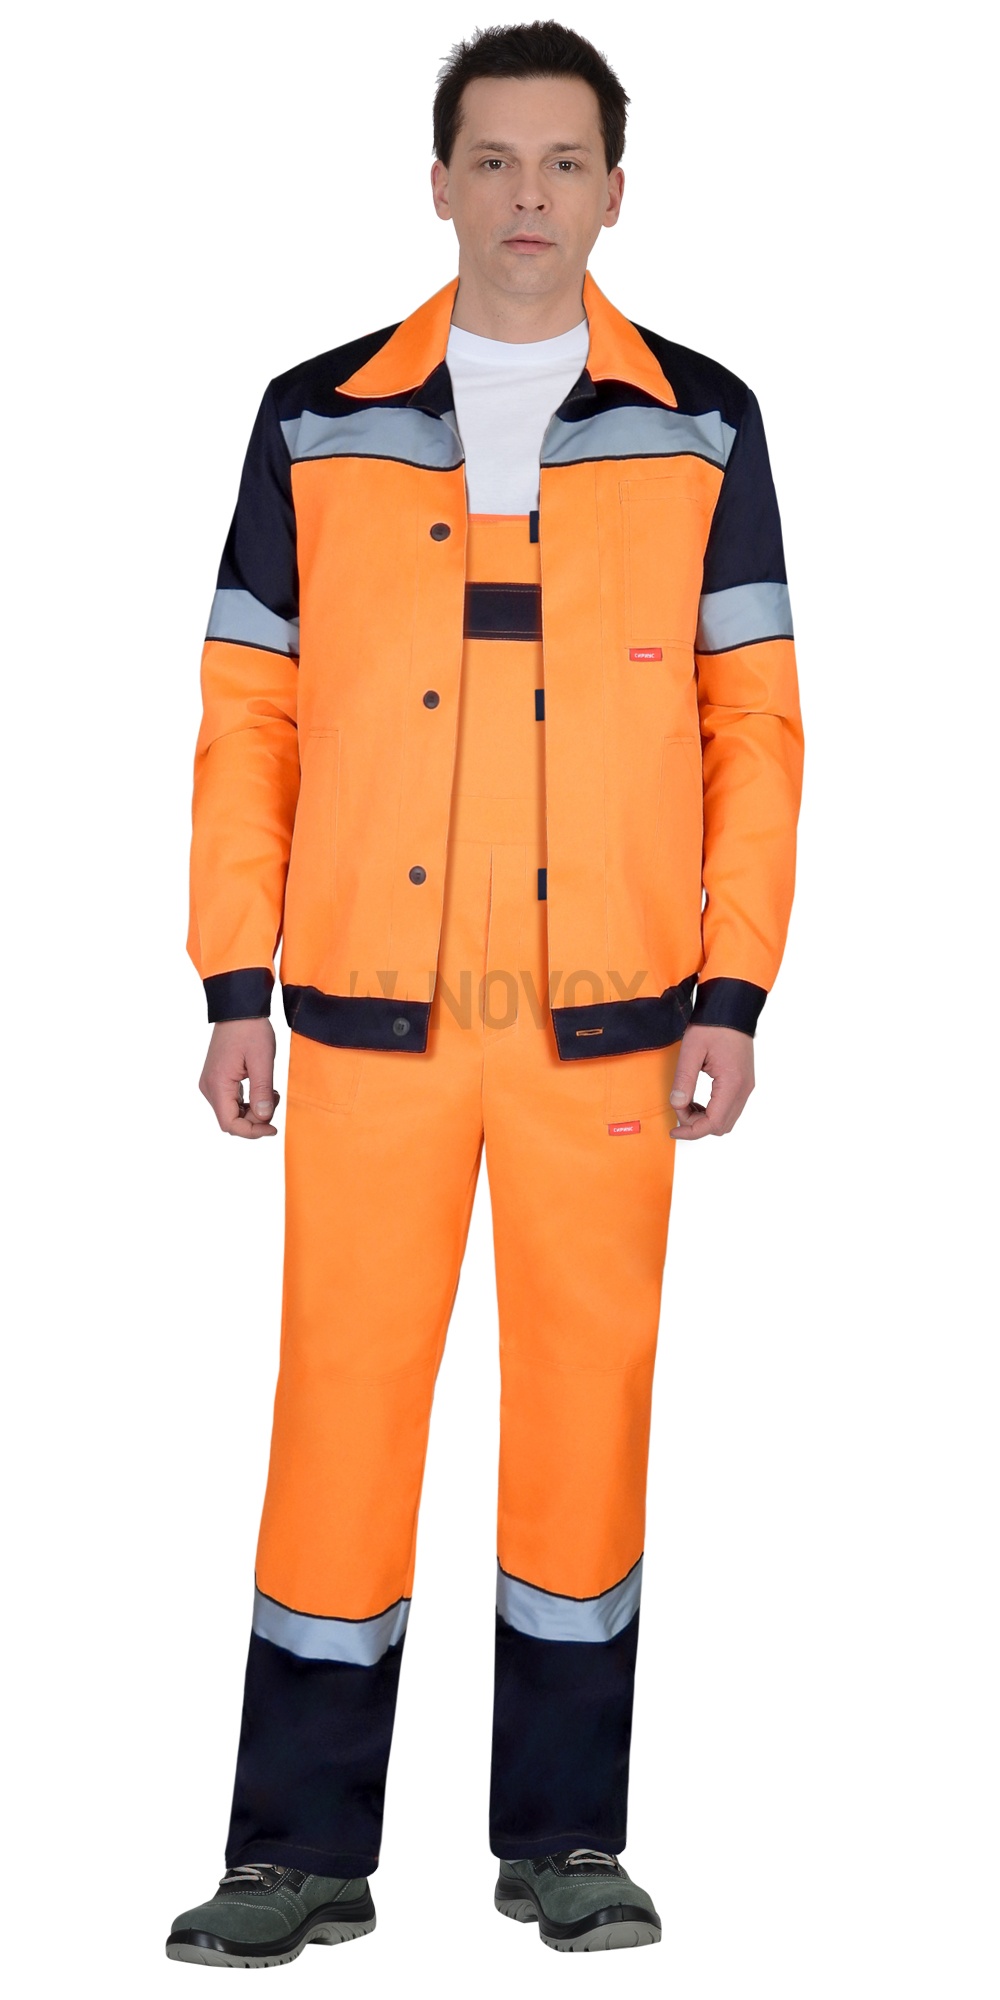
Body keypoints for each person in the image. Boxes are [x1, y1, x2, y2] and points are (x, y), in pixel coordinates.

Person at [167, 18, 803, 1964]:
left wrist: (732, 989)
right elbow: (249, 714)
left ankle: (563, 1840)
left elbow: (753, 727)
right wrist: (233, 978)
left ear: (615, 192)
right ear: (436, 182)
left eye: (564, 161)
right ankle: (294, 1855)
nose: (529, 194)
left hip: (612, 1018)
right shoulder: (315, 419)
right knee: (340, 1409)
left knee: (585, 1411)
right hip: (368, 1015)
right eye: (495, 159)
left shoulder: (701, 424)